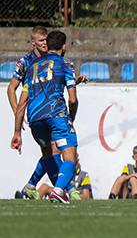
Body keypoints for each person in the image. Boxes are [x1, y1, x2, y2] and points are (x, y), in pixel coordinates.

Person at [10, 30, 80, 204]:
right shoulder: (65, 63)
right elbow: (72, 99)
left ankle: (51, 189)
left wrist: (17, 132)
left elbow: (21, 103)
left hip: (34, 118)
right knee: (70, 155)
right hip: (56, 114)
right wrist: (70, 117)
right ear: (64, 46)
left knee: (47, 153)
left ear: (47, 45)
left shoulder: (32, 67)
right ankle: (58, 190)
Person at [7, 26, 48, 116]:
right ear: (33, 42)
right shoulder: (25, 61)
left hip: (52, 110)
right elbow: (11, 88)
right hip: (35, 110)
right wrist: (17, 112)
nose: (45, 43)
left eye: (46, 40)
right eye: (41, 41)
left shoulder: (52, 58)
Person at [16, 156, 92, 200]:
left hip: (72, 196)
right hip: (61, 192)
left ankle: (71, 193)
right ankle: (28, 199)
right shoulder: (62, 171)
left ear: (77, 160)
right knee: (45, 186)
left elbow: (86, 195)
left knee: (48, 153)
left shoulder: (83, 175)